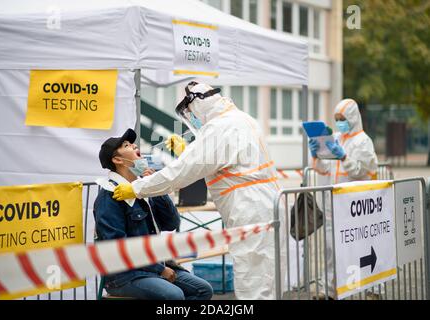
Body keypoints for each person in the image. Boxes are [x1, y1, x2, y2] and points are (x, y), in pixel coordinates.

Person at [112, 82, 287, 300]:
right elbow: (223, 162)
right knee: (269, 275)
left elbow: (180, 174)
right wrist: (188, 152)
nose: (192, 118)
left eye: (190, 113)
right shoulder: (241, 119)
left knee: (253, 279)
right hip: (266, 204)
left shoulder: (220, 127)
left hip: (250, 209)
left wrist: (137, 188)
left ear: (199, 103)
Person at [93, 128, 213, 300]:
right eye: (127, 145)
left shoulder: (141, 188)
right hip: (125, 275)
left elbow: (171, 223)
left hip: (155, 265)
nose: (134, 145)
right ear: (118, 160)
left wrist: (156, 188)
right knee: (174, 295)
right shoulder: (109, 195)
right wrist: (159, 270)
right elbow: (118, 248)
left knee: (203, 290)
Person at [309, 99, 379, 299]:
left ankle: (373, 290)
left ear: (353, 118)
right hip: (335, 205)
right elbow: (324, 169)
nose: (340, 122)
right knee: (331, 250)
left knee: (365, 248)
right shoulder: (337, 137)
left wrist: (344, 157)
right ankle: (329, 291)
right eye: (337, 119)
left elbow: (360, 171)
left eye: (343, 119)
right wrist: (316, 154)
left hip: (357, 205)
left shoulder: (363, 141)